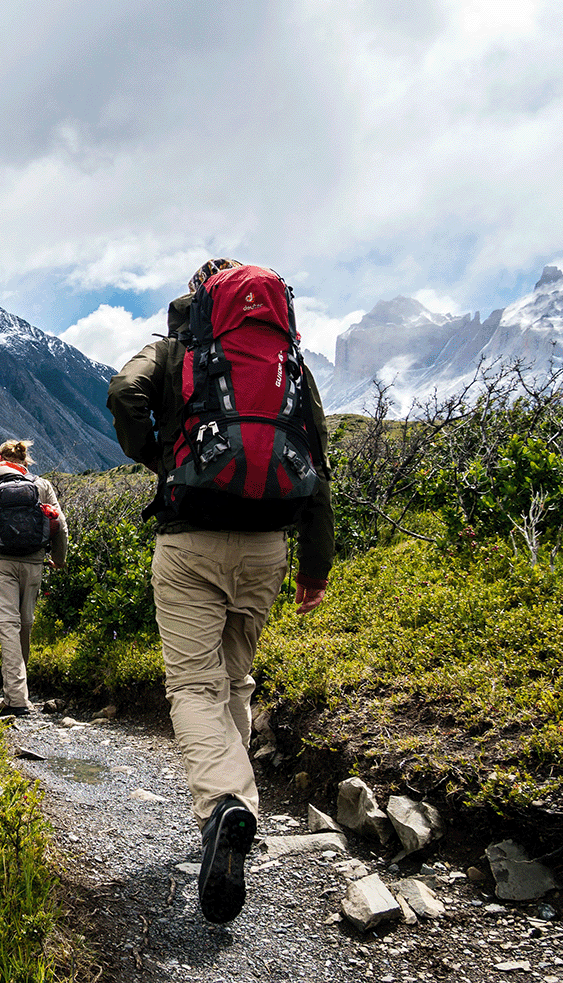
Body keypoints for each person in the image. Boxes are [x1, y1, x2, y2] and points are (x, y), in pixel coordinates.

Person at [106, 258, 334, 924]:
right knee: (235, 681)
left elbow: (124, 391)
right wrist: (313, 566)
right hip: (266, 544)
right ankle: (234, 809)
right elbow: (317, 460)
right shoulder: (285, 361)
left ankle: (223, 808)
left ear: (198, 299)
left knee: (192, 687)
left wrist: (156, 454)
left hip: (189, 539)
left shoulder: (176, 349)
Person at [0, 439, 68, 718]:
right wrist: (58, 558)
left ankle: (17, 699)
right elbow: (61, 525)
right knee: (24, 626)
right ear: (25, 460)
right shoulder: (42, 486)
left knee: (7, 627)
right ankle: (17, 693)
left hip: (0, 565)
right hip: (33, 564)